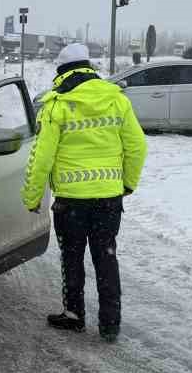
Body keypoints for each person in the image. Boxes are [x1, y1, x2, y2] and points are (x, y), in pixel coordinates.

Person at [21, 42, 147, 343]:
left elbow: (42, 156)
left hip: (71, 202)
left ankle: (74, 314)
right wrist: (127, 184)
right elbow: (137, 146)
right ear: (89, 68)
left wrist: (32, 196)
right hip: (108, 199)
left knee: (72, 257)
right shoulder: (117, 100)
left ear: (62, 72)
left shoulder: (56, 105)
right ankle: (110, 324)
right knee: (106, 256)